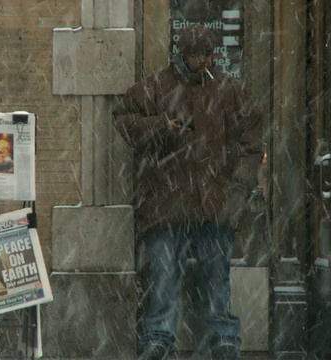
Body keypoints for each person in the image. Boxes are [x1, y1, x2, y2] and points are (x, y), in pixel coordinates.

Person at [113, 25, 263, 360]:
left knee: (216, 275)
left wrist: (238, 186)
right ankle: (159, 337)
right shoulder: (158, 86)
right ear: (183, 54)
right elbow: (123, 116)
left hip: (212, 200)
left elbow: (252, 142)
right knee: (164, 277)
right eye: (196, 54)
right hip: (170, 201)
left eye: (207, 54)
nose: (202, 61)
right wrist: (159, 128)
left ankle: (222, 338)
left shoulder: (229, 90)